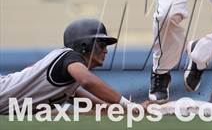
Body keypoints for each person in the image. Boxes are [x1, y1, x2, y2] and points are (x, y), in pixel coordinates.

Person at [0, 18, 142, 114]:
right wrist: (126, 104)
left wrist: (128, 109)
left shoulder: (68, 78)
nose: (105, 50)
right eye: (102, 44)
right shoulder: (70, 56)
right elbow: (87, 81)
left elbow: (91, 103)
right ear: (84, 45)